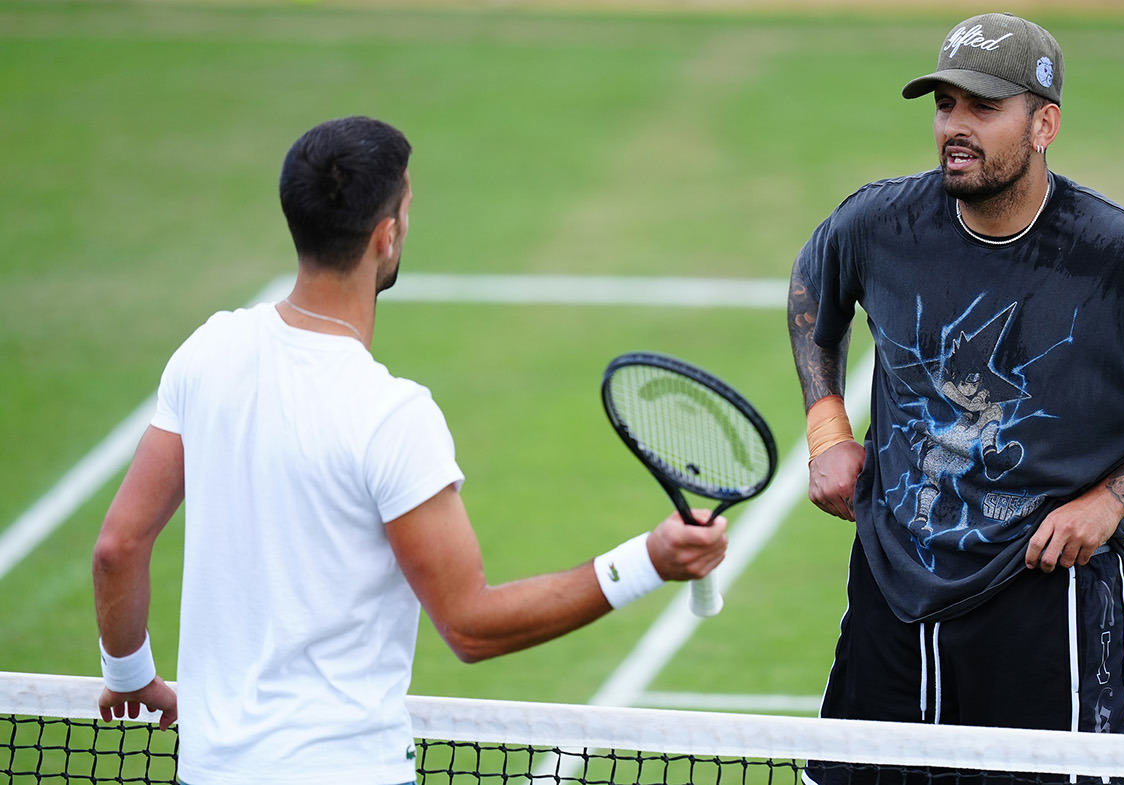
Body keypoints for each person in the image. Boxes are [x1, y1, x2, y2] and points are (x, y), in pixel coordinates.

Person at [92, 115, 728, 785]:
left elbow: (118, 546)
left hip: (210, 769)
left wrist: (130, 676)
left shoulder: (208, 351)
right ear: (385, 234)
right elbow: (471, 625)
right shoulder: (391, 415)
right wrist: (648, 561)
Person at [787, 11, 1124, 778]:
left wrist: (1114, 496)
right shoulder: (879, 223)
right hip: (891, 595)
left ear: (1044, 123)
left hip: (1042, 603)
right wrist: (829, 428)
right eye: (944, 105)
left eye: (983, 108)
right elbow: (810, 289)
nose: (955, 127)